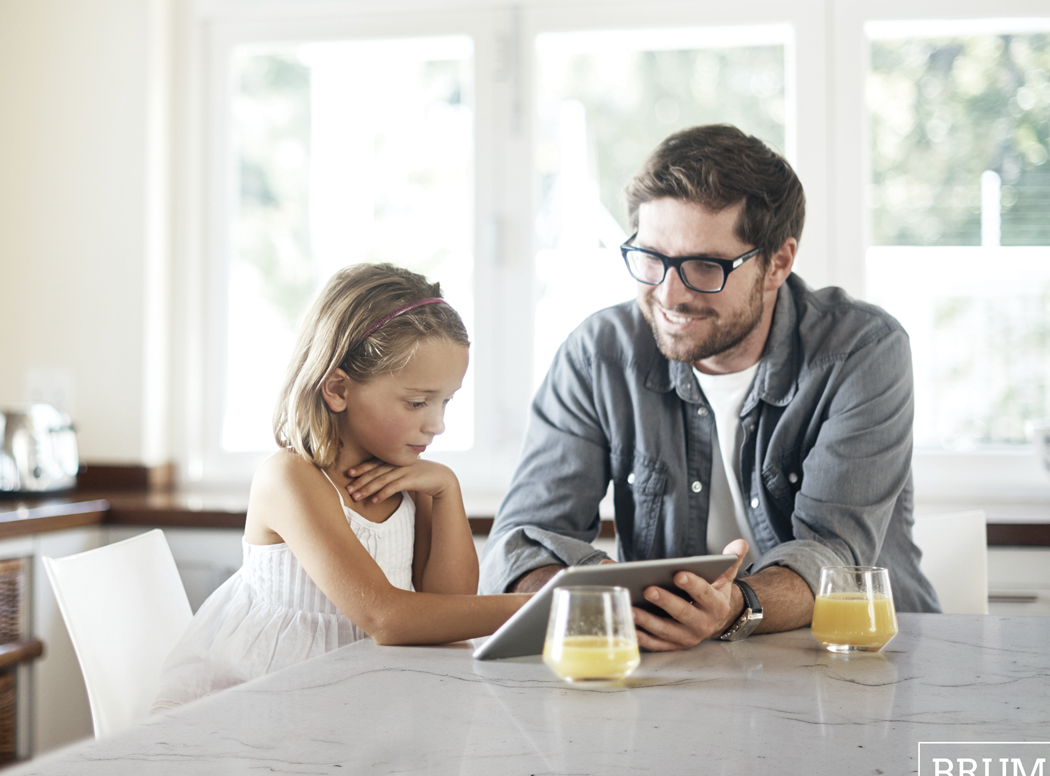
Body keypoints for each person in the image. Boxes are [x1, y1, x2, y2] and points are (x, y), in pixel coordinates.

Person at [481, 124, 939, 652]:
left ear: (779, 263)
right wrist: (589, 593)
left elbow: (833, 553)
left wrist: (734, 608)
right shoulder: (598, 354)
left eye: (704, 265)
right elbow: (520, 543)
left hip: (853, 660)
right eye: (651, 258)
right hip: (679, 670)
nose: (669, 294)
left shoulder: (861, 350)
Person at [153, 263, 528, 710]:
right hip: (251, 705)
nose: (437, 424)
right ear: (337, 389)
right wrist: (543, 608)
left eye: (446, 401)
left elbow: (448, 613)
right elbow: (387, 618)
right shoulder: (290, 478)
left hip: (346, 702)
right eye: (417, 402)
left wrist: (447, 491)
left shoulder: (413, 481)